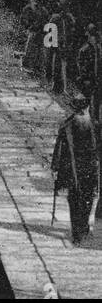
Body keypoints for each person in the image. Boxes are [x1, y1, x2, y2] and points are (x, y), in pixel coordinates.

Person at [52, 95, 98, 244]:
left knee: (82, 199)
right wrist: (56, 167)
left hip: (84, 168)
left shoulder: (92, 125)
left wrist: (56, 167)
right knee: (80, 199)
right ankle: (79, 231)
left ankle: (80, 229)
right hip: (76, 168)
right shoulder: (73, 125)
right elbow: (60, 148)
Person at [75, 23, 100, 118]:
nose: (94, 38)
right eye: (92, 35)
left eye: (95, 36)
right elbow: (81, 67)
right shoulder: (85, 50)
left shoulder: (98, 49)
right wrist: (85, 78)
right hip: (89, 81)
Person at [20, 0, 47, 74]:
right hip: (32, 31)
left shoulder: (43, 10)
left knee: (40, 50)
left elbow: (46, 20)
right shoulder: (27, 9)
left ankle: (38, 66)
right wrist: (29, 27)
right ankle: (28, 65)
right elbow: (24, 21)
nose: (35, 0)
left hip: (40, 32)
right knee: (31, 47)